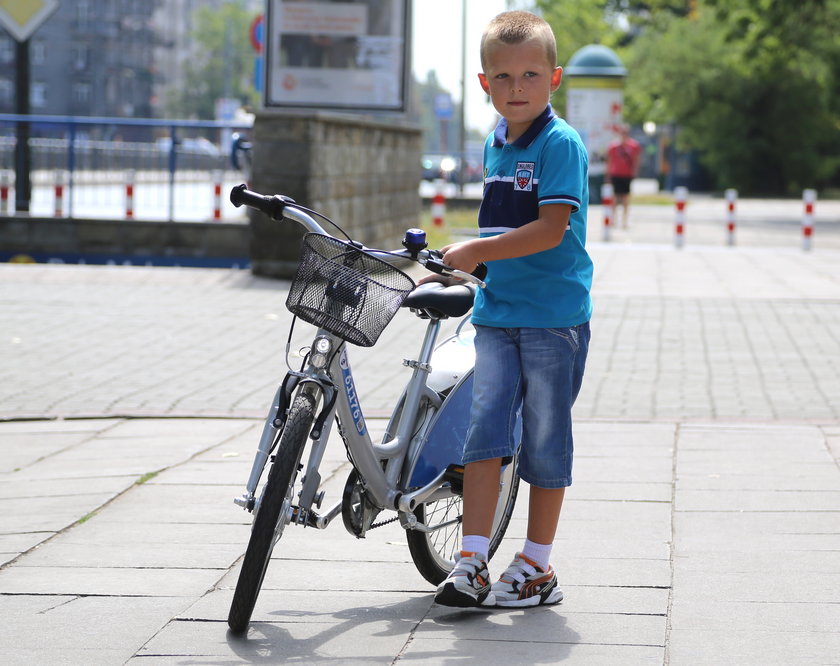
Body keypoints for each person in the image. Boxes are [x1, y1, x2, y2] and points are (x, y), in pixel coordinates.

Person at [430, 10, 592, 608]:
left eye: (529, 74)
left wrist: (477, 249)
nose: (516, 87)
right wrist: (465, 257)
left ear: (553, 79)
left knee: (546, 439)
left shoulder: (560, 143)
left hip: (554, 318)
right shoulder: (494, 142)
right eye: (503, 77)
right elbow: (500, 227)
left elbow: (550, 230)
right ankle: (471, 560)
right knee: (485, 434)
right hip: (497, 315)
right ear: (484, 85)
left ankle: (536, 566)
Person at [606, 124, 641, 228]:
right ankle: (613, 219)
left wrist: (635, 172)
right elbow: (609, 161)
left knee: (626, 197)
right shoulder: (613, 146)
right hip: (616, 173)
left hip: (627, 174)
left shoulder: (634, 145)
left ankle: (624, 220)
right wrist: (608, 174)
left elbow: (637, 160)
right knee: (615, 197)